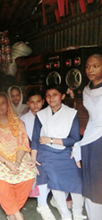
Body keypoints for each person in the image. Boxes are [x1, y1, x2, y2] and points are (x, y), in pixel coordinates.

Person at [30, 84, 86, 220]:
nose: (51, 98)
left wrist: (50, 140)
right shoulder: (41, 115)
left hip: (65, 152)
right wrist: (33, 159)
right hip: (46, 154)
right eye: (48, 95)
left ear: (62, 96)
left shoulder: (71, 113)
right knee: (55, 180)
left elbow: (74, 139)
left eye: (55, 95)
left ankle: (78, 214)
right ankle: (65, 214)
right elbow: (36, 140)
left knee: (77, 180)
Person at [0, 92, 35, 220]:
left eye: (3, 103)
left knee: (28, 177)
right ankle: (17, 215)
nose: (0, 106)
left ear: (8, 105)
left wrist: (18, 162)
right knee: (1, 181)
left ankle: (11, 212)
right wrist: (6, 162)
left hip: (17, 156)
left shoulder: (17, 122)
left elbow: (22, 145)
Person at [73, 54, 102, 220]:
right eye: (88, 66)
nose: (90, 70)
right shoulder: (86, 90)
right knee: (92, 181)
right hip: (92, 138)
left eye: (96, 66)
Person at [21, 89, 56, 220]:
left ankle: (55, 199)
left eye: (38, 102)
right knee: (41, 167)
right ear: (28, 103)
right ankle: (42, 204)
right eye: (32, 102)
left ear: (43, 102)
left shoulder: (50, 115)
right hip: (30, 151)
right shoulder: (22, 120)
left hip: (47, 149)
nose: (35, 105)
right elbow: (23, 143)